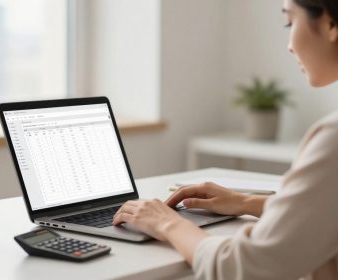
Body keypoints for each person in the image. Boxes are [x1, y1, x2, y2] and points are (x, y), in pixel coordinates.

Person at [112, 0, 338, 279]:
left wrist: (167, 224)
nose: (289, 45)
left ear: (329, 23)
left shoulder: (333, 138)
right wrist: (245, 202)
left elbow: (244, 268)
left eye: (290, 22)